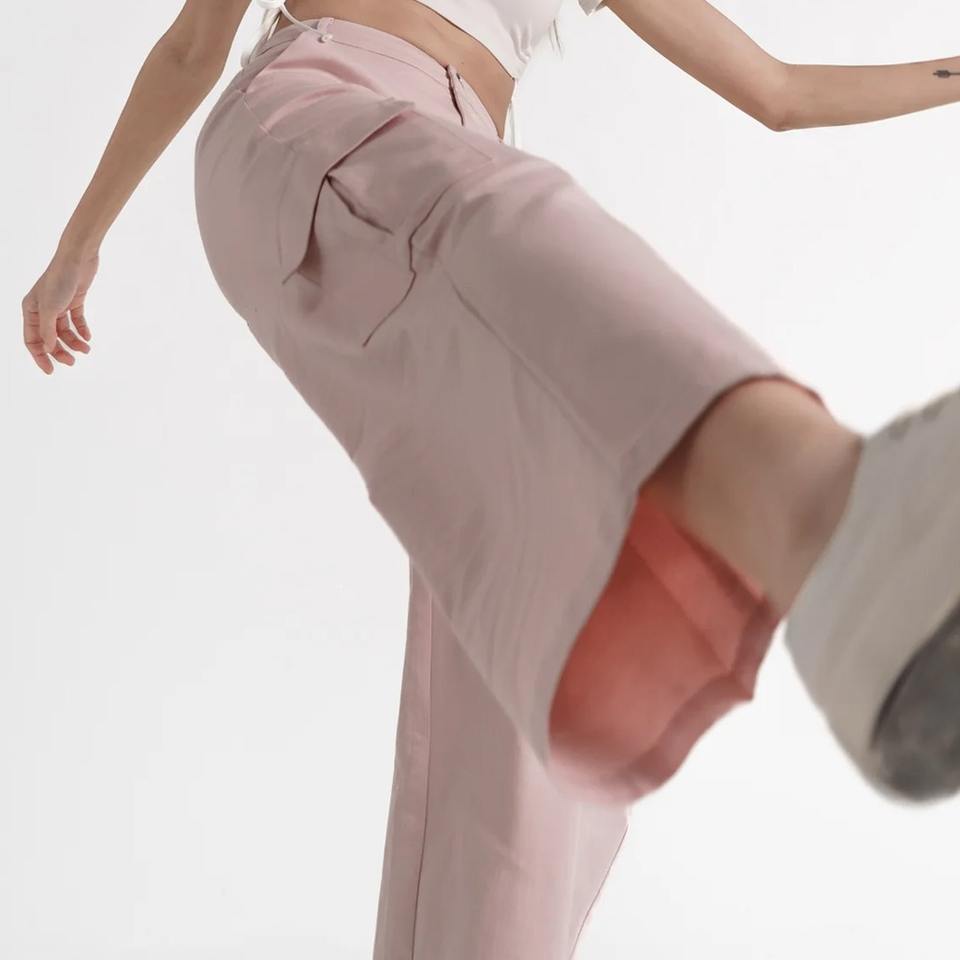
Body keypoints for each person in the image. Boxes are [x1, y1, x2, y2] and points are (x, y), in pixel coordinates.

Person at [19, 1, 960, 955]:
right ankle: (831, 517)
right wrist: (77, 246)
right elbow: (192, 48)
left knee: (539, 630)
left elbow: (779, 90)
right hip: (316, 124)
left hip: (451, 183)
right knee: (515, 221)